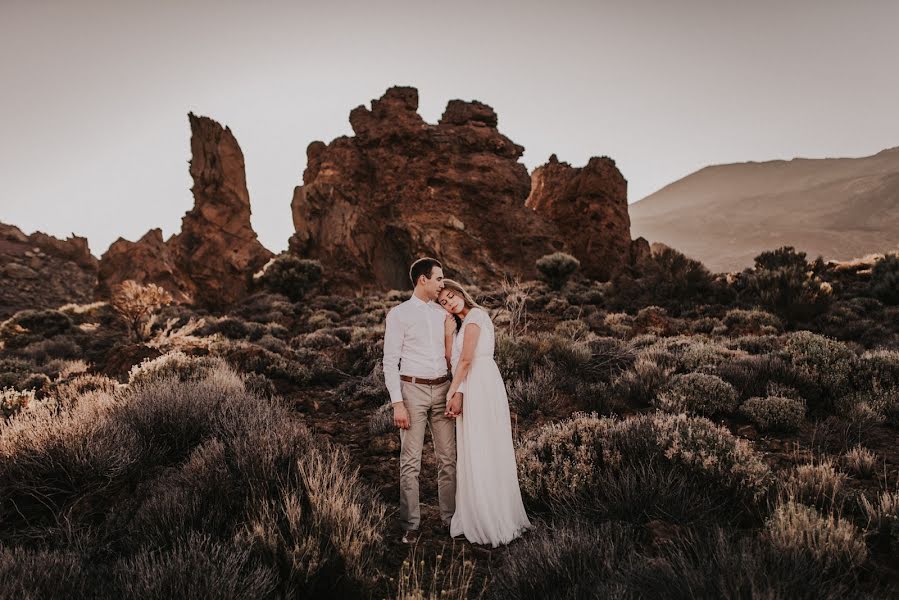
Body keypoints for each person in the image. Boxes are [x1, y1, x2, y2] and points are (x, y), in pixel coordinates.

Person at [438, 279, 532, 547]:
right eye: (443, 302)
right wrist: (447, 333)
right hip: (470, 383)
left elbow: (467, 361)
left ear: (460, 292)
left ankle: (494, 516)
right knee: (473, 447)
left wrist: (451, 392)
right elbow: (451, 361)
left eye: (451, 296)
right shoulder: (457, 326)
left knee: (484, 446)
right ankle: (476, 512)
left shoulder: (477, 315)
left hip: (480, 382)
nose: (449, 302)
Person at [383, 257, 459, 544]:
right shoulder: (399, 314)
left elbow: (453, 354)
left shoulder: (443, 314)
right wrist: (397, 403)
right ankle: (411, 525)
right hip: (411, 391)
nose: (442, 283)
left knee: (447, 459)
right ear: (423, 280)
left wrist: (455, 390)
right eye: (439, 278)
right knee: (410, 461)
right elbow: (390, 362)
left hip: (442, 389)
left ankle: (450, 519)